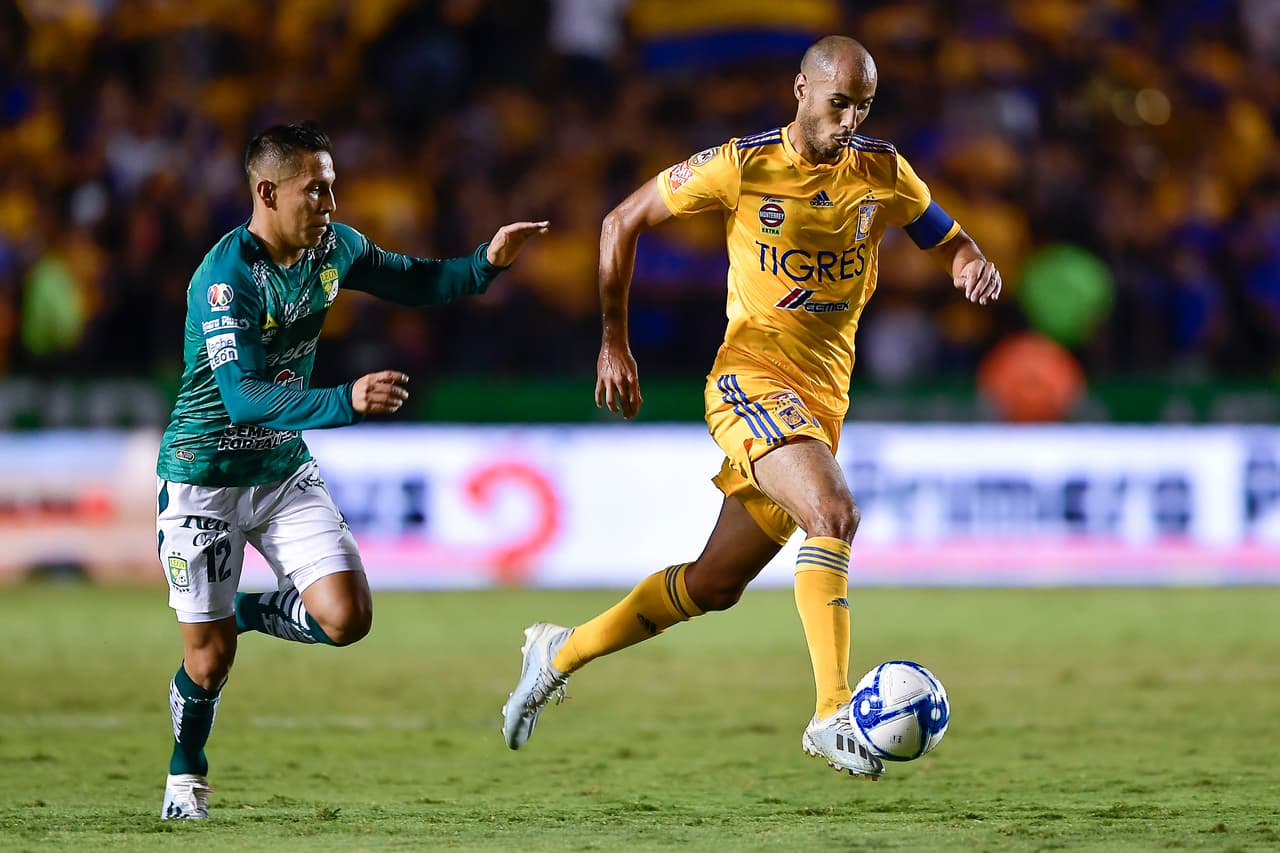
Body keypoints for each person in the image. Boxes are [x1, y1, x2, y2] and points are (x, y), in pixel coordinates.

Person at [501, 36, 1001, 779]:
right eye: (839, 103)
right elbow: (619, 221)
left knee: (713, 584)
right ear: (801, 89)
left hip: (820, 405)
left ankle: (558, 651)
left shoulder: (883, 171)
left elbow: (947, 237)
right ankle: (831, 712)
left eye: (864, 107)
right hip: (751, 380)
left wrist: (970, 262)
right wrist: (613, 342)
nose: (850, 121)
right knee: (832, 514)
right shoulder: (742, 165)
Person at [156, 121, 547, 819]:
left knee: (346, 618)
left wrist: (486, 262)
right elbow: (243, 397)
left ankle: (246, 610)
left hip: (280, 471)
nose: (330, 204)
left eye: (332, 187)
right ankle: (186, 775)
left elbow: (417, 281)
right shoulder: (226, 278)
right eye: (315, 190)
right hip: (203, 477)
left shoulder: (333, 248)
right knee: (208, 662)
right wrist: (346, 400)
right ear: (267, 192)